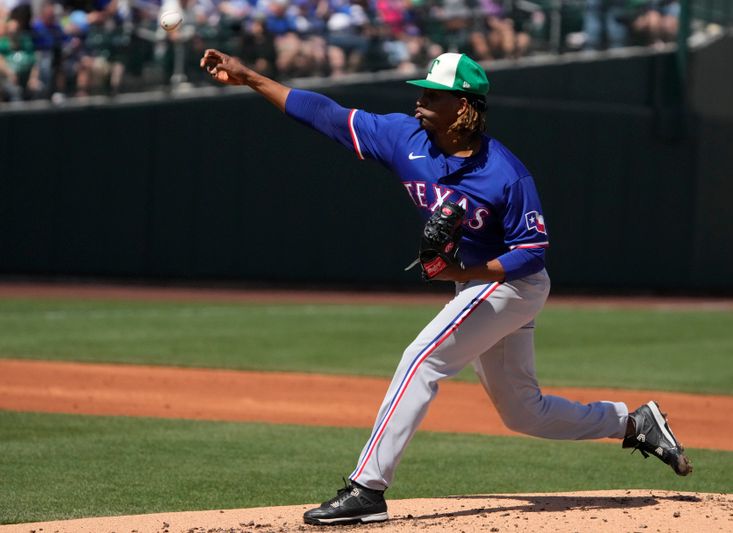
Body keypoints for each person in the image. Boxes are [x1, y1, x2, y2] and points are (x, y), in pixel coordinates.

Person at [200, 48, 693, 526]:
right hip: (476, 287)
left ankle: (366, 489)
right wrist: (250, 77)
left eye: (433, 93)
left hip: (512, 286)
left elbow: (532, 251)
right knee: (524, 412)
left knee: (422, 358)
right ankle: (633, 423)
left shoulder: (505, 172)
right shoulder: (402, 137)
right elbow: (325, 114)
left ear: (462, 106)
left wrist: (464, 272)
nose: (420, 98)